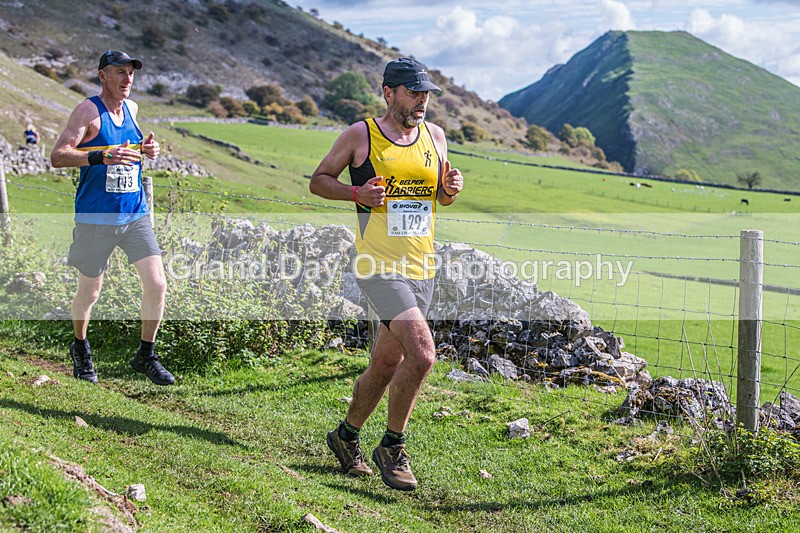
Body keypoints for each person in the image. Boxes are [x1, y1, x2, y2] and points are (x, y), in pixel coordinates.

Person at [309, 57, 464, 491]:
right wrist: (356, 193)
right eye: (413, 93)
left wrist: (449, 191)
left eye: (426, 94)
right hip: (378, 266)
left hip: (422, 267)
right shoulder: (361, 135)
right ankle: (392, 447)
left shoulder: (435, 136)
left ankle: (345, 436)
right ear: (389, 93)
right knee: (424, 355)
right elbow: (319, 180)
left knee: (385, 362)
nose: (421, 101)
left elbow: (439, 197)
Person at [50, 50, 175, 386]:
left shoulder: (132, 109)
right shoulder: (88, 111)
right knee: (90, 292)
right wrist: (101, 155)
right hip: (96, 219)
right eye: (120, 72)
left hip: (134, 214)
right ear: (103, 75)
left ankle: (146, 354)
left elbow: (126, 150)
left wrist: (146, 150)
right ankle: (80, 346)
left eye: (131, 73)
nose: (127, 78)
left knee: (157, 284)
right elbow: (59, 156)